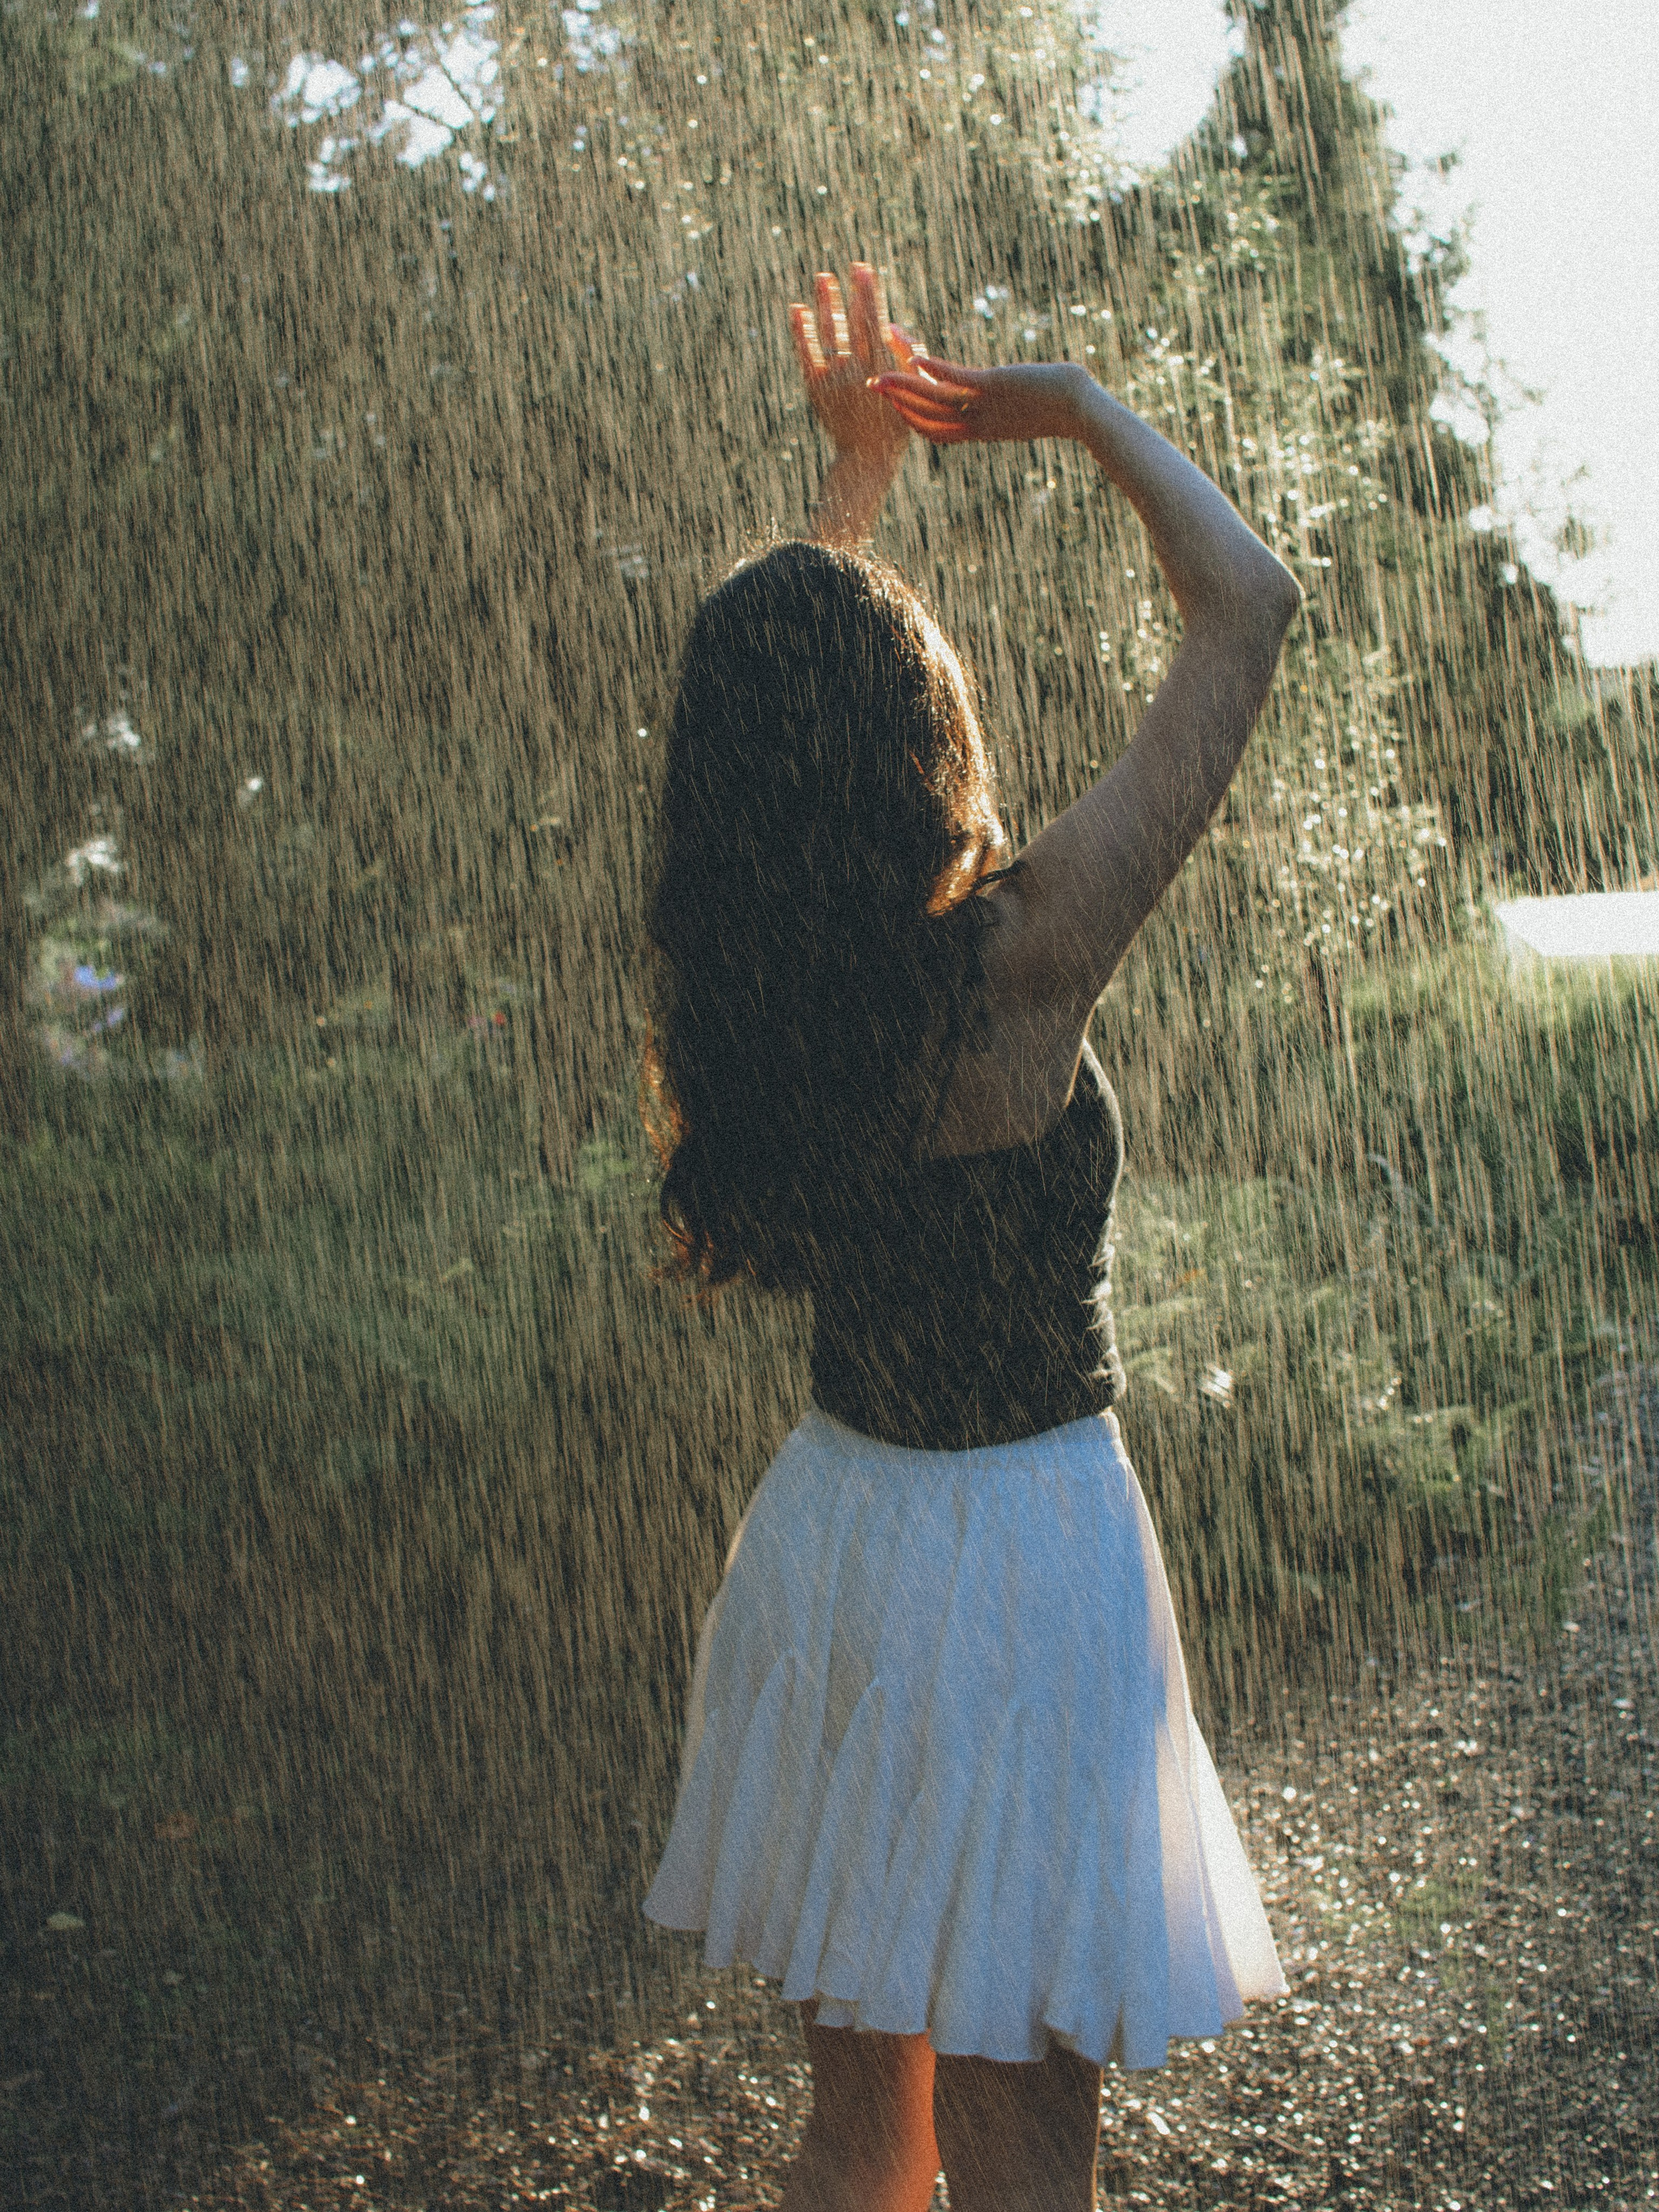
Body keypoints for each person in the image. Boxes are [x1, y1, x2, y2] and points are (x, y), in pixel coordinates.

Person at [640, 259, 1302, 2212]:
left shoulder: (760, 994)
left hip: (844, 1543)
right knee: (1027, 2162)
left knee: (863, 2136)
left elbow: (786, 736)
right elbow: (1249, 604)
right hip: (1021, 1567)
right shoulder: (1023, 964)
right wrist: (1079, 406)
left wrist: (849, 498)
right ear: (921, 725)